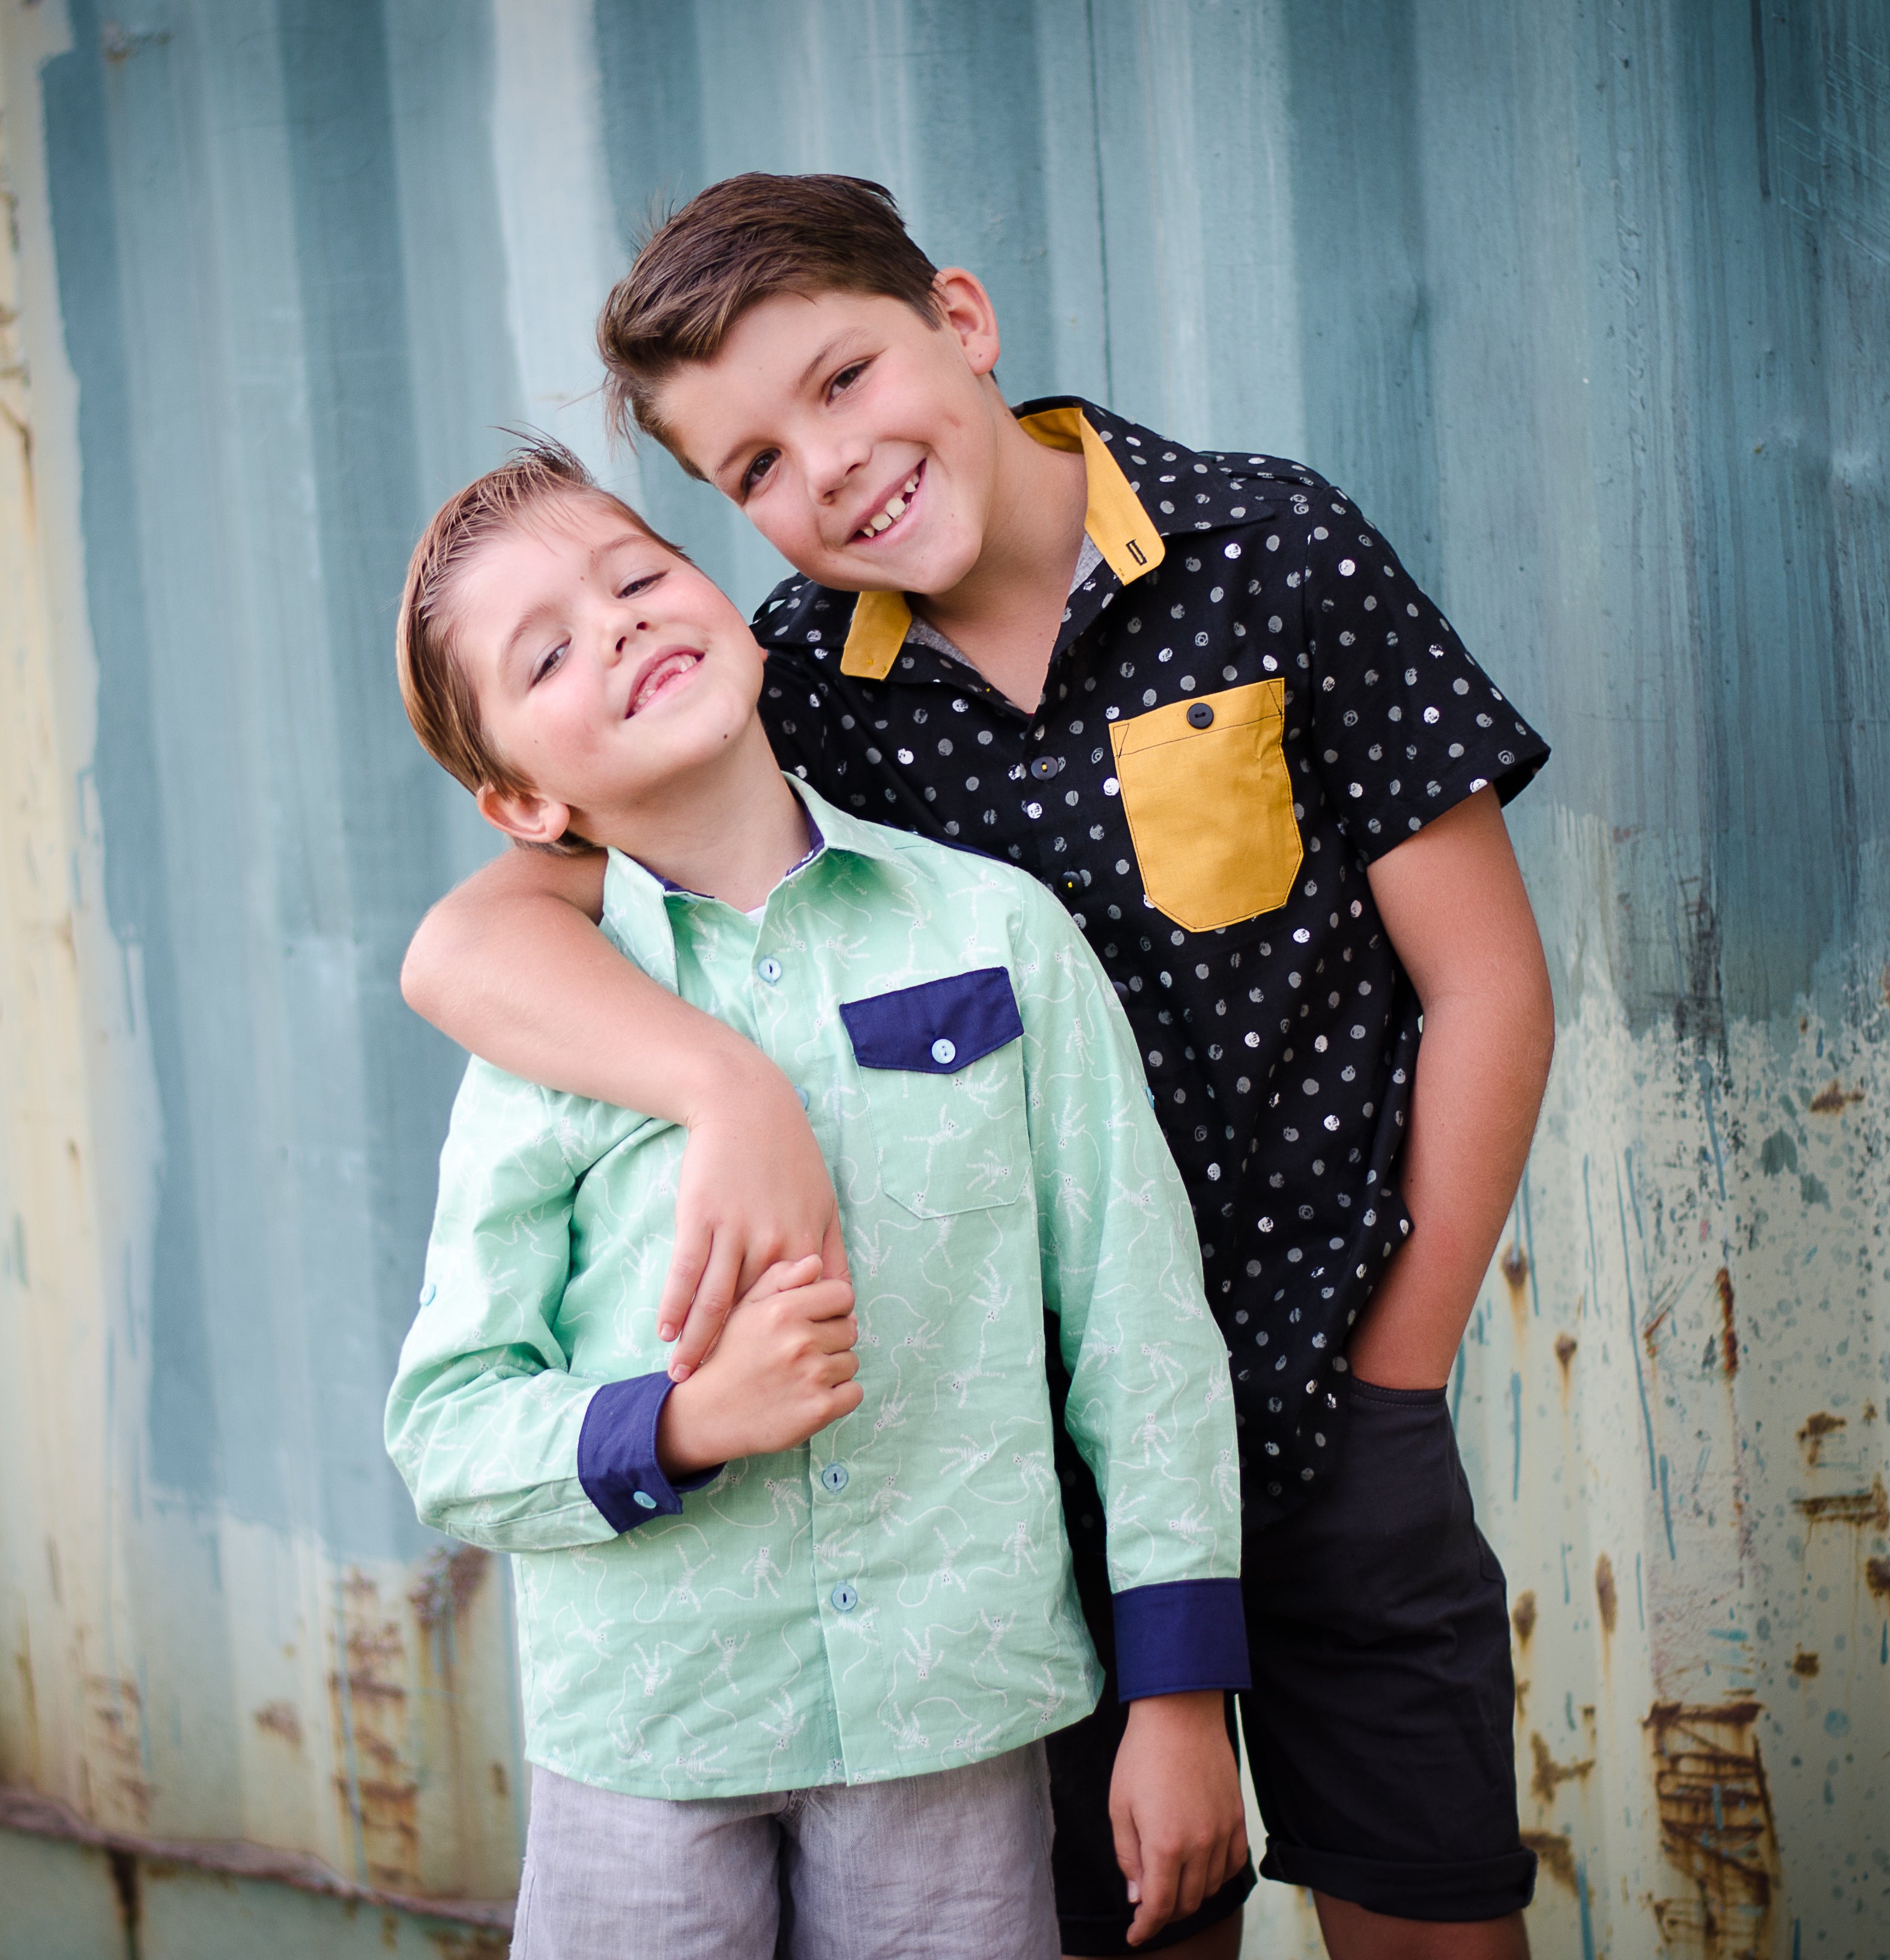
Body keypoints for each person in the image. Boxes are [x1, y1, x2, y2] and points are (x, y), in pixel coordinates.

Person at [401, 174, 1556, 1958]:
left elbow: (1484, 985)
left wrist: (1400, 1370)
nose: (831, 467)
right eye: (755, 467)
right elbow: (467, 947)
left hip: (1338, 1402)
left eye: (846, 378)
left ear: (960, 318)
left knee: (1430, 1908)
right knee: (1135, 1919)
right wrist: (726, 1086)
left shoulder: (1271, 551)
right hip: (1012, 1495)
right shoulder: (781, 682)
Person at [381, 440, 1251, 1960]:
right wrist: (680, 1424)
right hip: (651, 1726)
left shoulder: (993, 931)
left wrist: (1179, 1699)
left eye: (638, 577)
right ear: (521, 800)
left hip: (950, 1708)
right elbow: (445, 1427)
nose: (620, 626)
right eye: (548, 654)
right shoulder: (544, 1034)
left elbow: (1141, 1331)